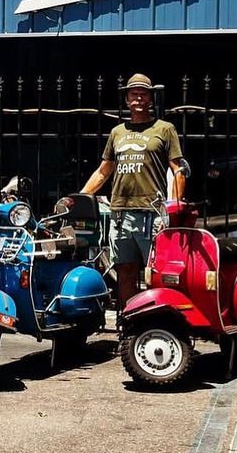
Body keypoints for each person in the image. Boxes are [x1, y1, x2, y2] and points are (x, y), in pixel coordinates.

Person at [80, 73, 187, 310]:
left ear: (150, 98)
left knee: (156, 274)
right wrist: (79, 197)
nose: (138, 98)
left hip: (152, 214)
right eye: (133, 94)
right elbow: (103, 171)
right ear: (126, 99)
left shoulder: (164, 129)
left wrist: (172, 209)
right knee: (125, 272)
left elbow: (179, 169)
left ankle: (154, 326)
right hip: (120, 215)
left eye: (143, 93)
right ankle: (128, 325)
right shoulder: (118, 132)